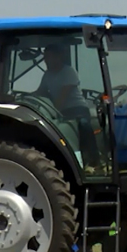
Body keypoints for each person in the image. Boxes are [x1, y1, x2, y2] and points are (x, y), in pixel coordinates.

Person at [34, 43, 103, 173]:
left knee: (83, 125)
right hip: (62, 112)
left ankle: (94, 160)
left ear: (58, 57)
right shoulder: (47, 75)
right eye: (45, 58)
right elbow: (40, 92)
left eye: (50, 57)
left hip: (77, 109)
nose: (47, 61)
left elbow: (62, 96)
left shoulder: (68, 71)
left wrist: (53, 113)